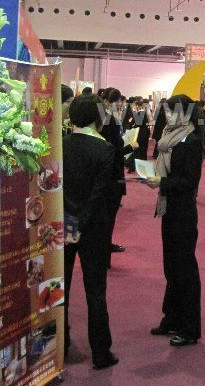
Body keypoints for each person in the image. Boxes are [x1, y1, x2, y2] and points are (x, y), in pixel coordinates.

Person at [62, 94, 119, 369]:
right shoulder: (105, 149)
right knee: (95, 291)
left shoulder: (60, 145)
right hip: (94, 228)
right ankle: (100, 352)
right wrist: (82, 223)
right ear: (98, 116)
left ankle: (60, 345)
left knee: (60, 288)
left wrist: (72, 222)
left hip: (63, 224)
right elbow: (99, 194)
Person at [146, 95, 203, 347]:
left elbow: (189, 181)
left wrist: (162, 182)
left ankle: (190, 328)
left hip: (183, 211)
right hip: (168, 208)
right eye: (167, 112)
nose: (169, 117)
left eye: (173, 112)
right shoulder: (168, 137)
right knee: (170, 267)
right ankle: (172, 318)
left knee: (185, 269)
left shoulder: (191, 141)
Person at [99, 88, 137, 260]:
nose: (120, 104)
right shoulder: (109, 121)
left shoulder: (105, 119)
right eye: (117, 101)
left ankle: (105, 246)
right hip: (112, 174)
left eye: (121, 101)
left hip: (108, 172)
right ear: (107, 102)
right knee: (108, 216)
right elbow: (114, 150)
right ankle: (104, 249)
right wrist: (129, 147)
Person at [133, 98, 153, 163]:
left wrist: (132, 126)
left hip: (140, 132)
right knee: (145, 146)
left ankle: (139, 160)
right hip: (146, 131)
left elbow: (137, 124)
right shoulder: (146, 112)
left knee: (140, 147)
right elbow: (150, 121)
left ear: (138, 105)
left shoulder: (139, 113)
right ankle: (144, 159)